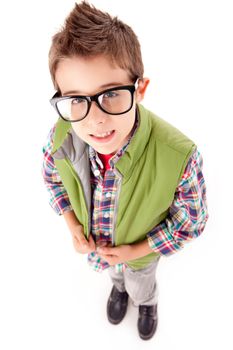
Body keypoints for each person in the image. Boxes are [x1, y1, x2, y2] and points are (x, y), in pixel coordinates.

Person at [42, 1, 209, 341]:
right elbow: (51, 176)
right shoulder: (62, 134)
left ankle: (147, 302)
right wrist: (72, 224)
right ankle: (118, 289)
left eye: (112, 95)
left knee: (139, 281)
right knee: (115, 276)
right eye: (76, 100)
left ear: (140, 89)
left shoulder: (180, 155)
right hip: (101, 249)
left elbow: (192, 220)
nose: (95, 119)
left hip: (141, 255)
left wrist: (134, 251)